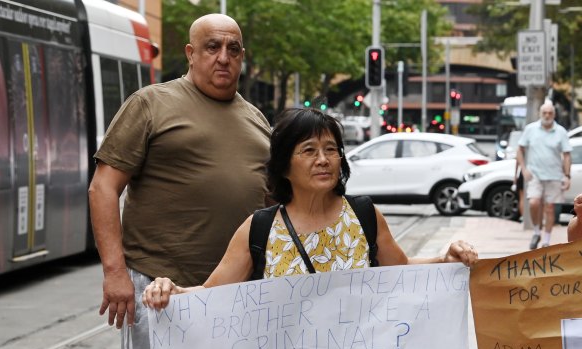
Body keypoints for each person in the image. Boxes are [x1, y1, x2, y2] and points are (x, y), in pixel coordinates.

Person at [88, 14, 271, 349]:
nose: (223, 57)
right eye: (212, 47)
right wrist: (115, 272)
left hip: (235, 292)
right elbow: (103, 188)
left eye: (232, 49)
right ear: (190, 53)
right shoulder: (150, 103)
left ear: (242, 57)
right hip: (159, 290)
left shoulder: (257, 121)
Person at [142, 108, 479, 310]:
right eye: (309, 150)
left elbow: (401, 268)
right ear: (284, 166)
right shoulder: (259, 229)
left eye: (331, 149)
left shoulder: (363, 215)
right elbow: (211, 295)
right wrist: (173, 290)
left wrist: (444, 260)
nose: (323, 159)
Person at [517, 101, 572, 249]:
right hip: (534, 175)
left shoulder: (561, 132)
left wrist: (567, 176)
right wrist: (523, 169)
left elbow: (567, 155)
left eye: (550, 113)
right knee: (534, 203)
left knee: (550, 208)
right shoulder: (530, 129)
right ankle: (536, 231)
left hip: (554, 176)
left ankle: (546, 240)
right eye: (544, 113)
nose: (547, 115)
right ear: (540, 114)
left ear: (554, 114)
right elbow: (520, 149)